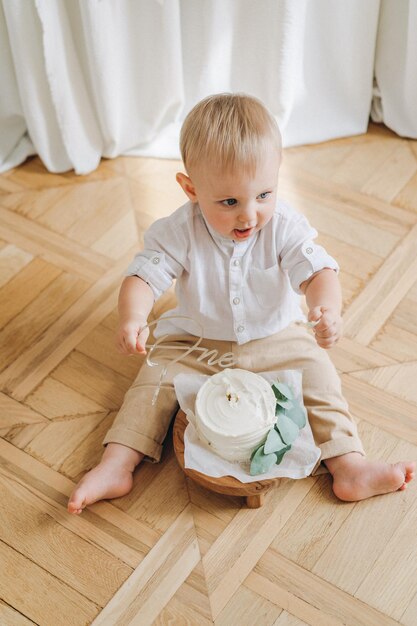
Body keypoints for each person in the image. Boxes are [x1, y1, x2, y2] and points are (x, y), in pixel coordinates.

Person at [68, 93, 415, 514]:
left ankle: (349, 465)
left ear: (277, 178)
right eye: (229, 202)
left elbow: (319, 271)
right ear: (191, 188)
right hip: (196, 339)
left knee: (320, 377)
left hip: (277, 335)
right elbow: (142, 277)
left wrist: (327, 309)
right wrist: (133, 318)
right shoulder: (178, 230)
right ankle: (116, 465)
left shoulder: (283, 224)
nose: (249, 215)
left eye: (264, 194)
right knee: (150, 382)